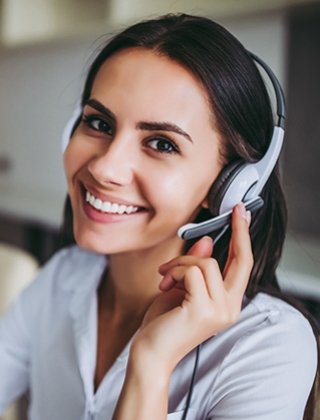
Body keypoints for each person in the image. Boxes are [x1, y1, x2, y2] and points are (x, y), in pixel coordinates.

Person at [0, 13, 318, 420]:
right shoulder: (62, 280)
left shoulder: (268, 345)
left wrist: (152, 364)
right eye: (99, 123)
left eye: (161, 144)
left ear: (230, 185)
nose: (104, 169)